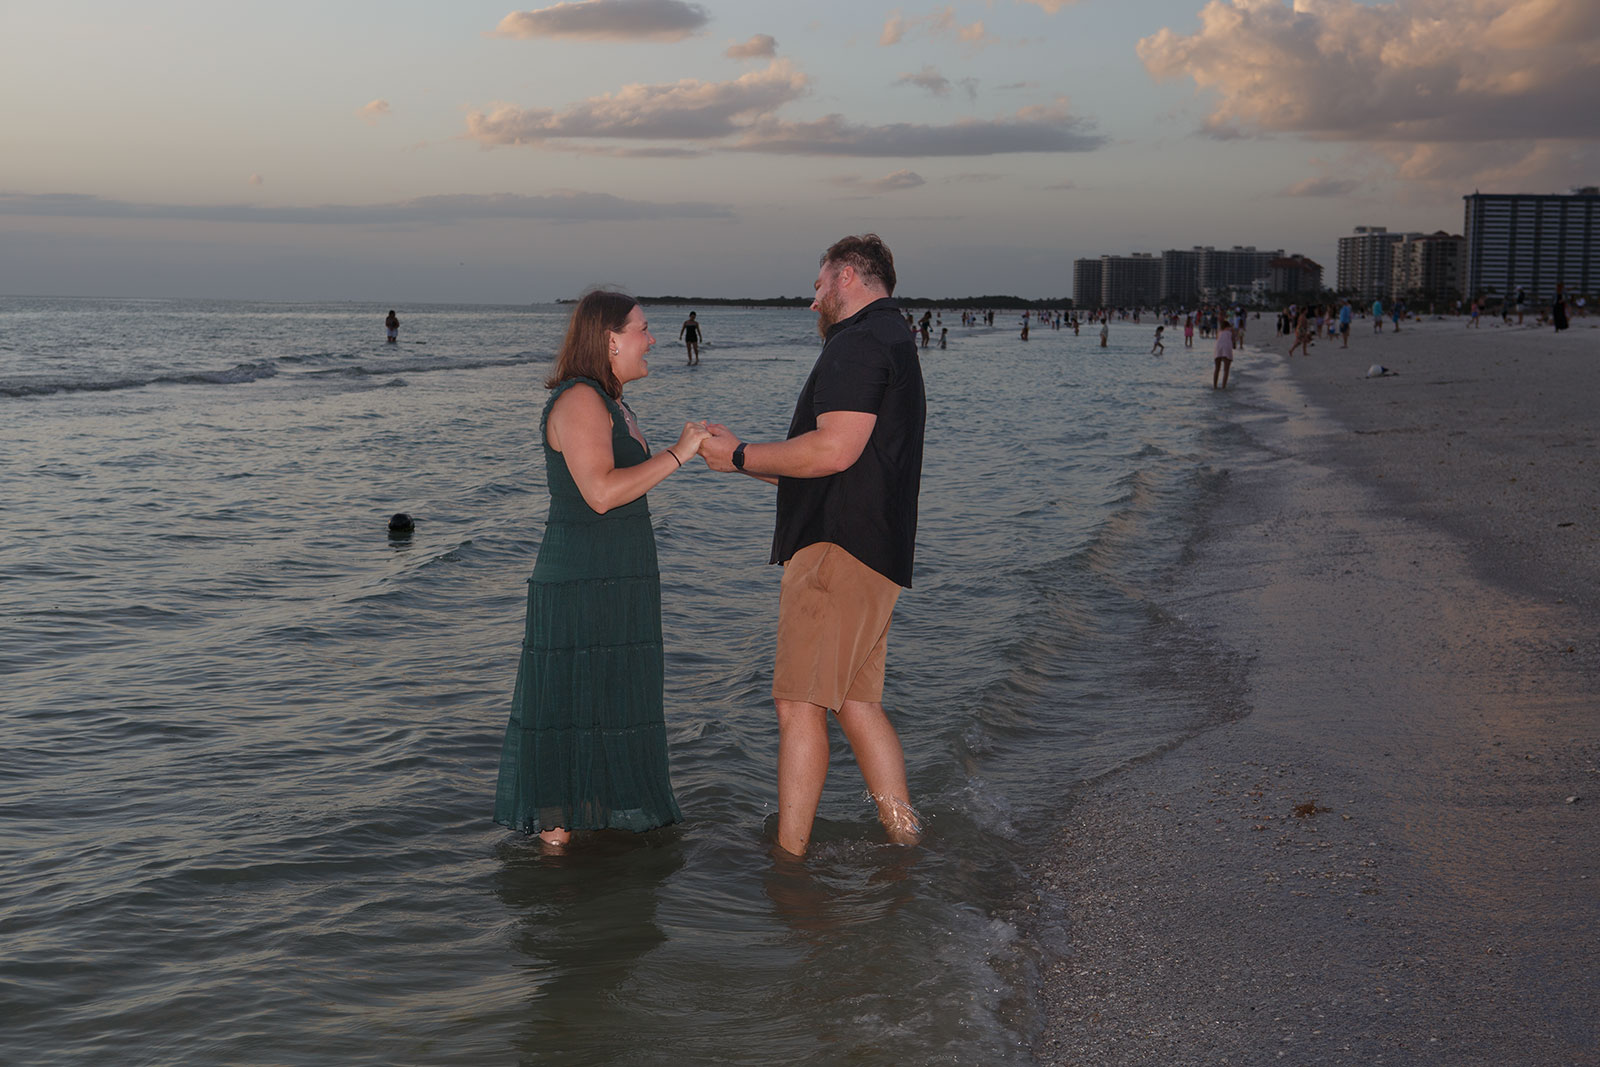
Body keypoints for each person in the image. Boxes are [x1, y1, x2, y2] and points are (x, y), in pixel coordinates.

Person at [700, 234, 925, 858]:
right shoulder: (894, 337)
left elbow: (833, 451)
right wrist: (740, 458)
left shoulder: (857, 341)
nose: (812, 300)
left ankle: (789, 863)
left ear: (847, 276)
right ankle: (907, 842)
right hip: (876, 550)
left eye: (818, 284)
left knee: (797, 704)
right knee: (856, 703)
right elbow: (836, 464)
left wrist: (739, 454)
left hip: (836, 550)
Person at [494, 291, 710, 847]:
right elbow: (600, 492)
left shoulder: (612, 403)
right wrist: (678, 454)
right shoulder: (581, 400)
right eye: (643, 328)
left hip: (614, 580)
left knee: (605, 708)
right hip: (582, 583)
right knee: (570, 714)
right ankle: (556, 864)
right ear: (611, 340)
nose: (652, 339)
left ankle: (587, 853)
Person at [1213, 314, 1234, 389]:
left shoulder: (1219, 331)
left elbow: (1217, 339)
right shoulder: (1230, 330)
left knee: (1217, 369)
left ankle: (1215, 386)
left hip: (1218, 347)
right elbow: (1233, 339)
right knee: (1226, 370)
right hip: (1227, 348)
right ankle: (1223, 387)